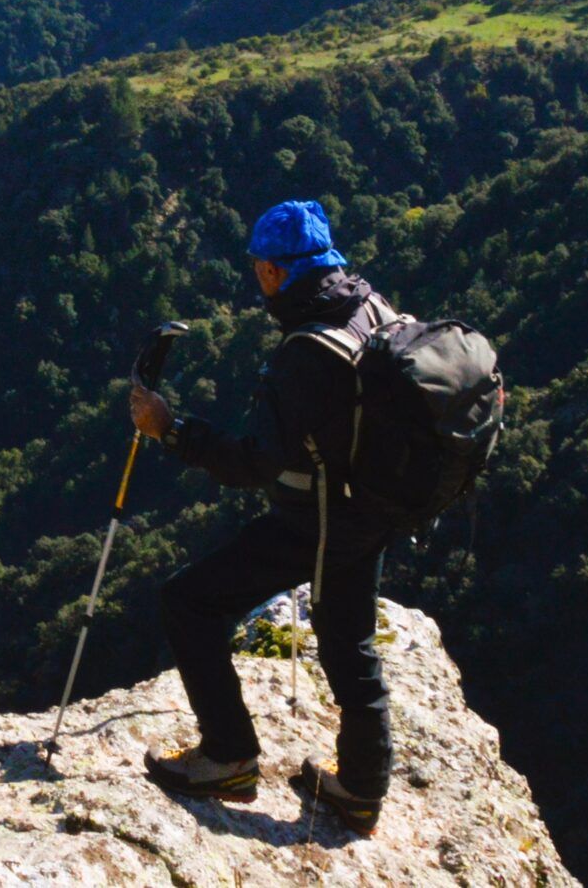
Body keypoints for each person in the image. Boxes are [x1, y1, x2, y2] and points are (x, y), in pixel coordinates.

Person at [126, 199, 396, 834]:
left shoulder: (305, 350)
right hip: (372, 508)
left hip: (320, 519)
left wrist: (171, 430)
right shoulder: (370, 306)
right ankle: (360, 787)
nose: (255, 278)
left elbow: (255, 463)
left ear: (273, 271)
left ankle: (227, 756)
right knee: (351, 644)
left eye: (257, 266)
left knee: (188, 601)